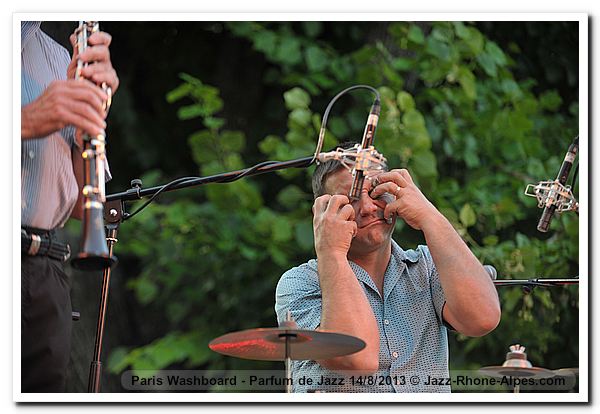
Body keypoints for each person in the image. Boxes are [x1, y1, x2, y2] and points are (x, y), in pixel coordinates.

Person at [275, 144, 501, 392]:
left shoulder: (426, 265)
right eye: (351, 199)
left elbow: (483, 319)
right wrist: (331, 251)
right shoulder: (299, 283)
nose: (369, 207)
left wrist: (429, 216)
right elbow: (356, 358)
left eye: (375, 193)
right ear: (324, 213)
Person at [21, 21, 119, 392]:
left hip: (44, 271)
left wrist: (88, 132)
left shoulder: (58, 57)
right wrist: (26, 120)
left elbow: (80, 202)